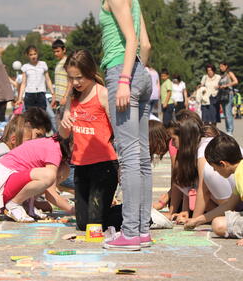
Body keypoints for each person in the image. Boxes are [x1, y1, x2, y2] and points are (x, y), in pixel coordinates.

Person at [99, 0, 152, 250]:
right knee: (142, 158)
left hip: (123, 71)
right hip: (139, 72)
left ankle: (130, 233)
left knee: (129, 156)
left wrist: (124, 80)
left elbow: (132, 40)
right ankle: (141, 230)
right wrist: (139, 74)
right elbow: (146, 44)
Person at [59, 50, 119, 231]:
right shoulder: (72, 96)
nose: (75, 82)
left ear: (90, 72)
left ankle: (136, 214)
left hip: (104, 165)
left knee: (95, 225)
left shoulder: (102, 94)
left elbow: (118, 130)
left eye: (79, 77)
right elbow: (63, 134)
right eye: (71, 78)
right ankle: (106, 213)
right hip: (81, 165)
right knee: (83, 225)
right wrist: (64, 122)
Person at [169, 110, 235, 224]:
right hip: (230, 197)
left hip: (235, 201)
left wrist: (194, 220)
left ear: (185, 138)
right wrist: (186, 211)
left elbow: (203, 190)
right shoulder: (196, 147)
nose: (172, 143)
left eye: (174, 139)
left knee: (206, 178)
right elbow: (188, 183)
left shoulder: (204, 151)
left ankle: (232, 214)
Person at [0, 135, 70, 222]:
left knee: (64, 169)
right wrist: (74, 210)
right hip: (4, 190)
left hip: (11, 184)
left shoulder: (53, 143)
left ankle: (26, 204)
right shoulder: (54, 150)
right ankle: (14, 204)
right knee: (48, 175)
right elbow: (50, 194)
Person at [184, 135, 243, 246]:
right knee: (218, 222)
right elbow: (228, 205)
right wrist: (198, 220)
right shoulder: (240, 171)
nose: (215, 171)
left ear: (223, 164)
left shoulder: (241, 175)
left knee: (218, 225)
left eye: (214, 167)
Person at [16, 45, 56, 111]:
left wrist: (53, 94)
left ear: (37, 54)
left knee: (43, 115)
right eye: (31, 55)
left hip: (41, 93)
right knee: (30, 116)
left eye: (35, 54)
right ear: (28, 56)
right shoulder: (25, 67)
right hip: (29, 94)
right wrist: (20, 98)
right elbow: (23, 83)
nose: (33, 56)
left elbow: (48, 80)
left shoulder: (43, 64)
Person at [52, 39, 71, 119]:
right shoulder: (58, 63)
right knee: (59, 126)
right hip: (59, 101)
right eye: (54, 52)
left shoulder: (68, 62)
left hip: (66, 100)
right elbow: (57, 83)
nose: (56, 54)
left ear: (64, 50)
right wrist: (55, 98)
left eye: (58, 51)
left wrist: (65, 97)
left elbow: (71, 81)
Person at [218, 62, 239, 135]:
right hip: (222, 95)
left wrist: (226, 85)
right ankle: (228, 130)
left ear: (226, 66)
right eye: (220, 66)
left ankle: (230, 130)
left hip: (228, 94)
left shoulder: (229, 73)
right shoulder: (221, 75)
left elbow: (236, 81)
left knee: (228, 113)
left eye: (222, 66)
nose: (220, 68)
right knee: (225, 114)